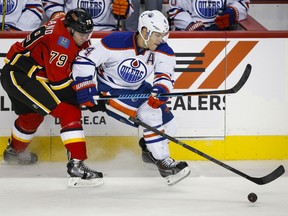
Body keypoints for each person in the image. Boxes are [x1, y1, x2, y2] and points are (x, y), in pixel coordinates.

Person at [71, 10, 191, 185]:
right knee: (151, 114)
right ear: (144, 31)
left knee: (170, 125)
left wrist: (160, 89)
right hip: (112, 91)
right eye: (157, 35)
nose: (160, 40)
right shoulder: (114, 42)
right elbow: (84, 60)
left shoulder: (162, 49)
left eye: (163, 35)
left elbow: (165, 75)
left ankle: (149, 151)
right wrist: (85, 86)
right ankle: (164, 164)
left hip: (139, 89)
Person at [0, 8, 103, 187]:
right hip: (20, 75)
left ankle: (14, 153)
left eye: (88, 34)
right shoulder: (61, 44)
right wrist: (86, 98)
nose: (86, 39)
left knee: (32, 116)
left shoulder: (65, 22)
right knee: (68, 111)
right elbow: (60, 86)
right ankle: (77, 164)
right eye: (81, 35)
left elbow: (59, 18)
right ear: (70, 30)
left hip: (26, 72)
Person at [42, 0, 134, 31]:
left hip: (106, 34)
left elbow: (126, 7)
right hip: (73, 32)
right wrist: (58, 14)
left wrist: (124, 9)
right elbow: (53, 2)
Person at [167, 0, 250, 31]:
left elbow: (243, 4)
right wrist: (190, 25)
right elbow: (175, 10)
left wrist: (233, 12)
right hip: (190, 35)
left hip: (222, 32)